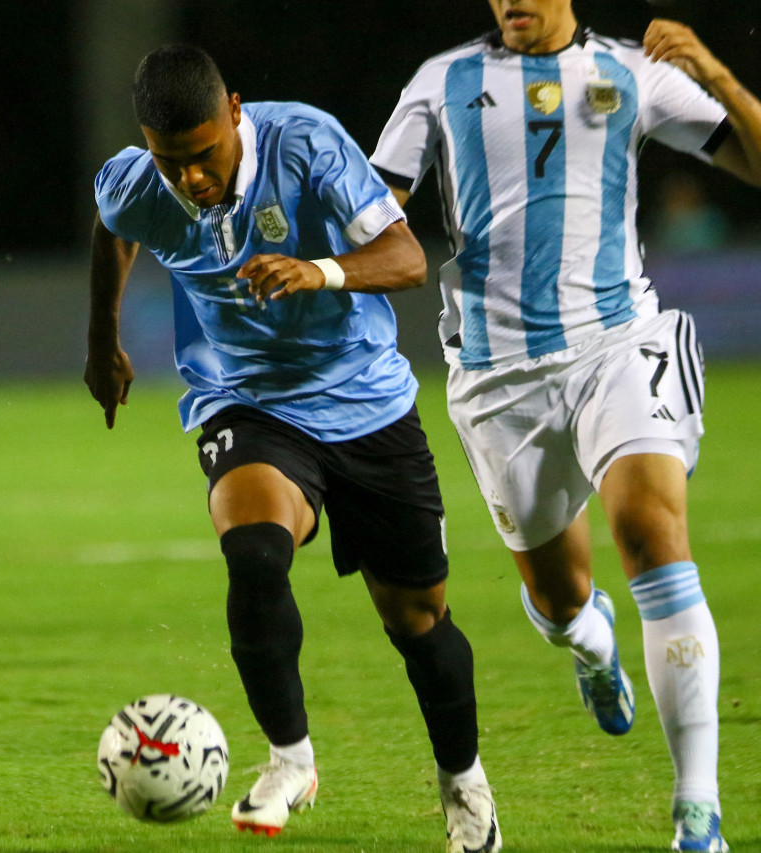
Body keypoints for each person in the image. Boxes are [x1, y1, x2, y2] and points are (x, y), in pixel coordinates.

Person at [85, 44, 502, 852]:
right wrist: (102, 340)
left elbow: (408, 258)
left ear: (235, 112)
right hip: (248, 403)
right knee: (254, 550)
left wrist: (319, 271)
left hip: (367, 403)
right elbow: (113, 232)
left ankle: (464, 782)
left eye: (204, 156)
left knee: (419, 620)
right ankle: (291, 757)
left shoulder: (304, 144)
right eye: (174, 163)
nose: (193, 179)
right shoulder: (137, 181)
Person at [371, 4, 760, 850]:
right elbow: (377, 215)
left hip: (616, 344)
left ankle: (699, 815)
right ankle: (591, 644)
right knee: (558, 599)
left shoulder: (630, 73)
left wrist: (716, 74)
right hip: (498, 379)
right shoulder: (442, 84)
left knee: (652, 535)